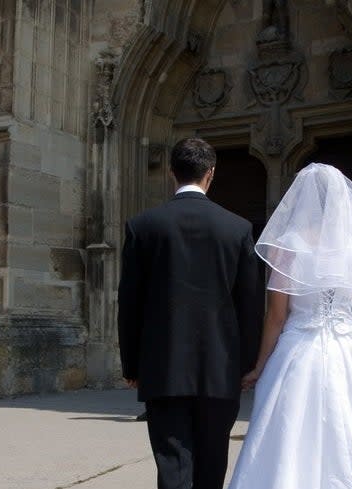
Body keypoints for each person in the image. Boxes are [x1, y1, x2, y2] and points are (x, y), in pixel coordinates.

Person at [229, 163, 352, 489]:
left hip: (298, 348)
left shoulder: (289, 246)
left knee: (289, 430)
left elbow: (276, 316)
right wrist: (345, 334)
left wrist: (258, 366)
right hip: (345, 348)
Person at [118, 138, 263, 489]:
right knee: (212, 462)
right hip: (220, 367)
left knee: (173, 463)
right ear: (210, 173)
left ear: (172, 172)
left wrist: (132, 365)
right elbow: (250, 302)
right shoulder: (237, 229)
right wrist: (247, 364)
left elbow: (129, 301)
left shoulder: (143, 226)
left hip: (162, 366)